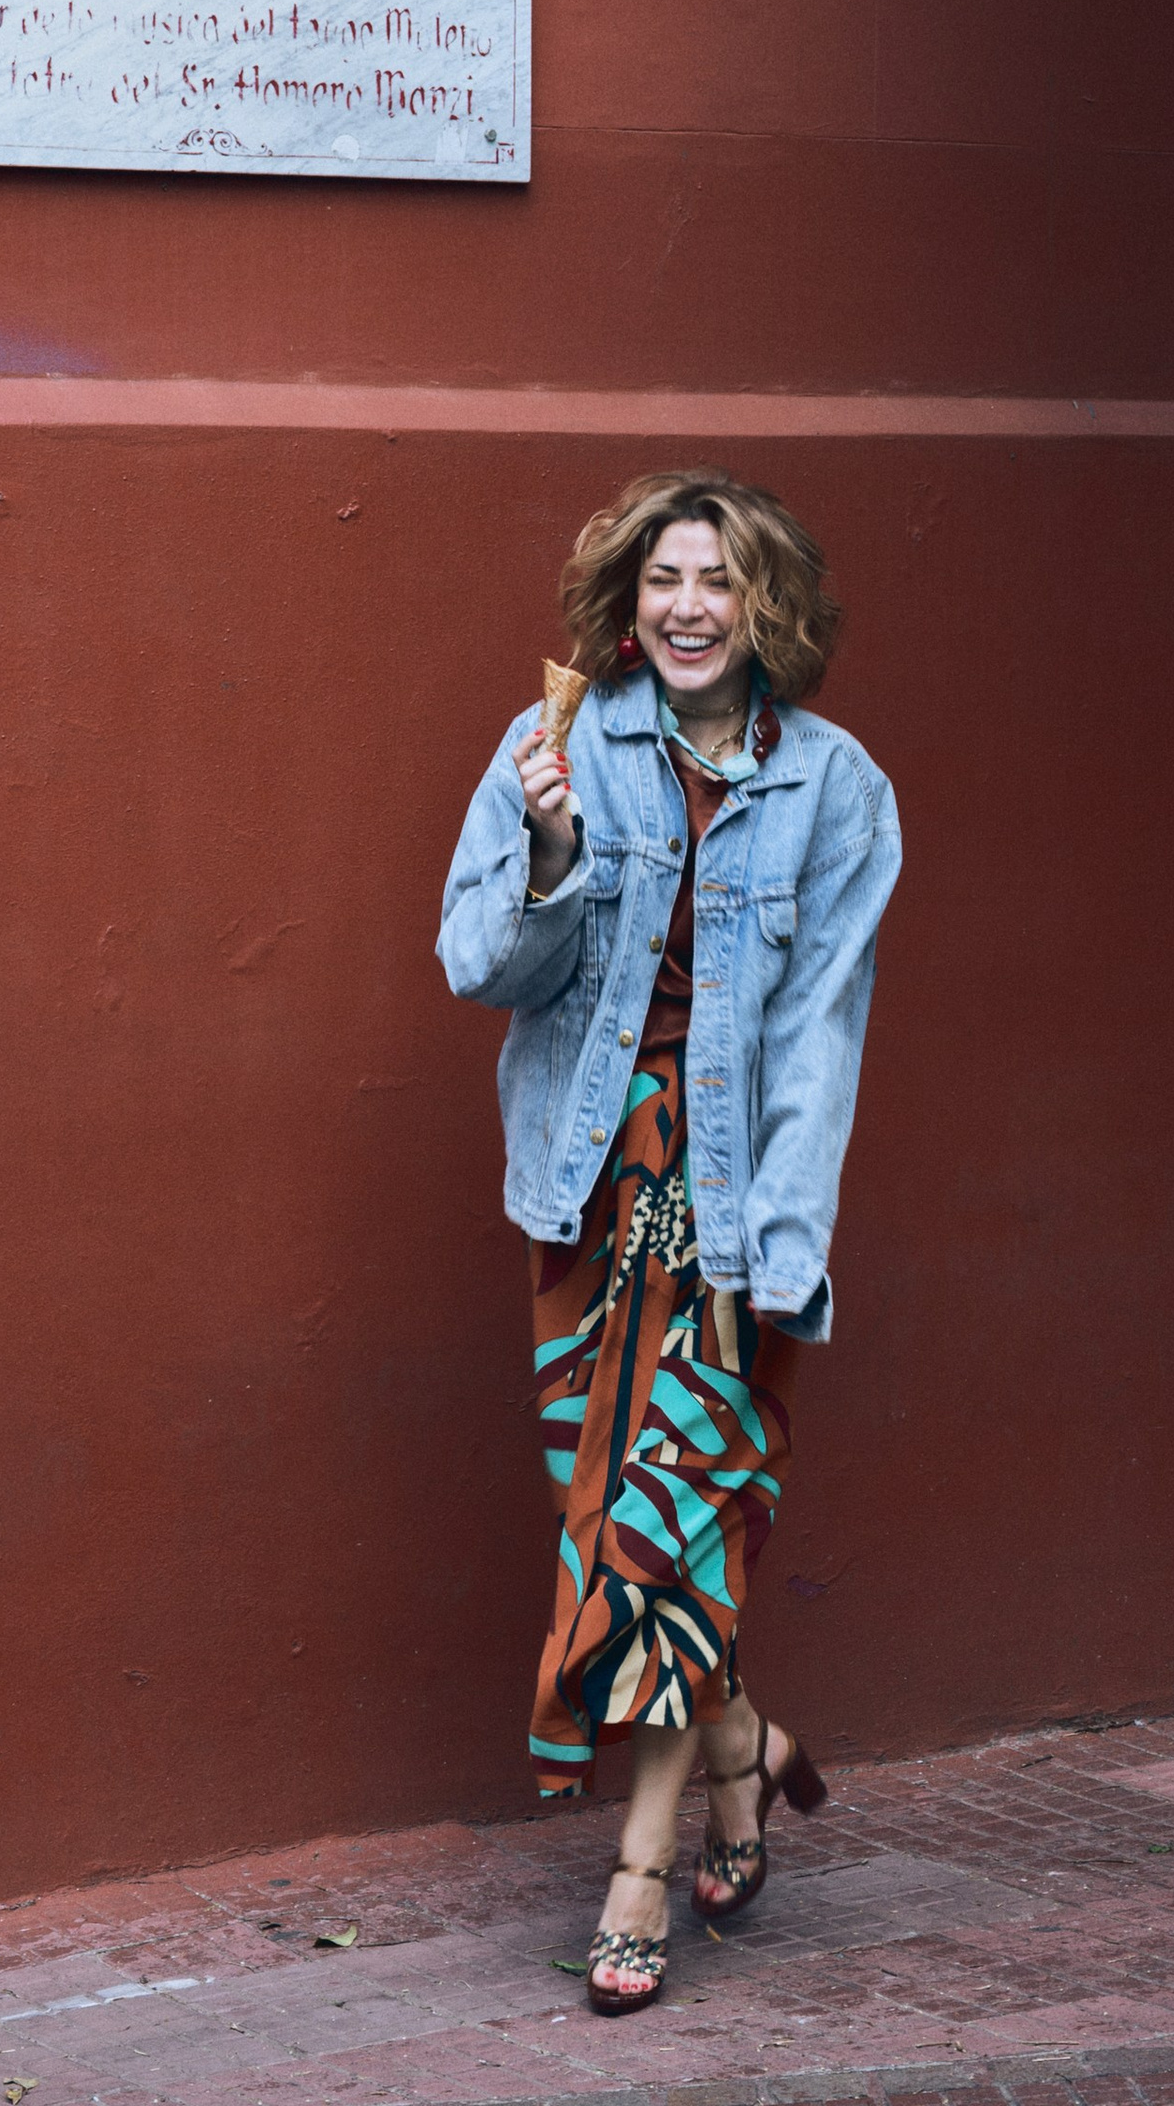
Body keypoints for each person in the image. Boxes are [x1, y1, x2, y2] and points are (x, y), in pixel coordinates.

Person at [437, 469, 903, 2019]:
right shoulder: (553, 747)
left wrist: (774, 1248)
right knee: (613, 1513)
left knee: (667, 1529)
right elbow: (475, 963)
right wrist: (556, 849)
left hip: (735, 1197)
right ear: (624, 605)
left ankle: (637, 1876)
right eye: (662, 581)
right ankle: (740, 1748)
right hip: (584, 1197)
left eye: (717, 579)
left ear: (767, 603)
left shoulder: (839, 788)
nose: (688, 606)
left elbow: (820, 1034)